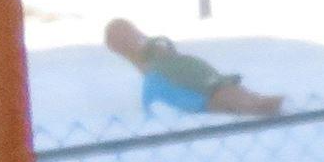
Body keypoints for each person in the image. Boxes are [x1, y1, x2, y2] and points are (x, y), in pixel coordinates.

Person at [102, 18, 283, 118]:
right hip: (197, 90)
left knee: (226, 92)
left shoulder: (162, 63)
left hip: (199, 82)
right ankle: (258, 105)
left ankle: (259, 104)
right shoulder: (155, 77)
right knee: (224, 94)